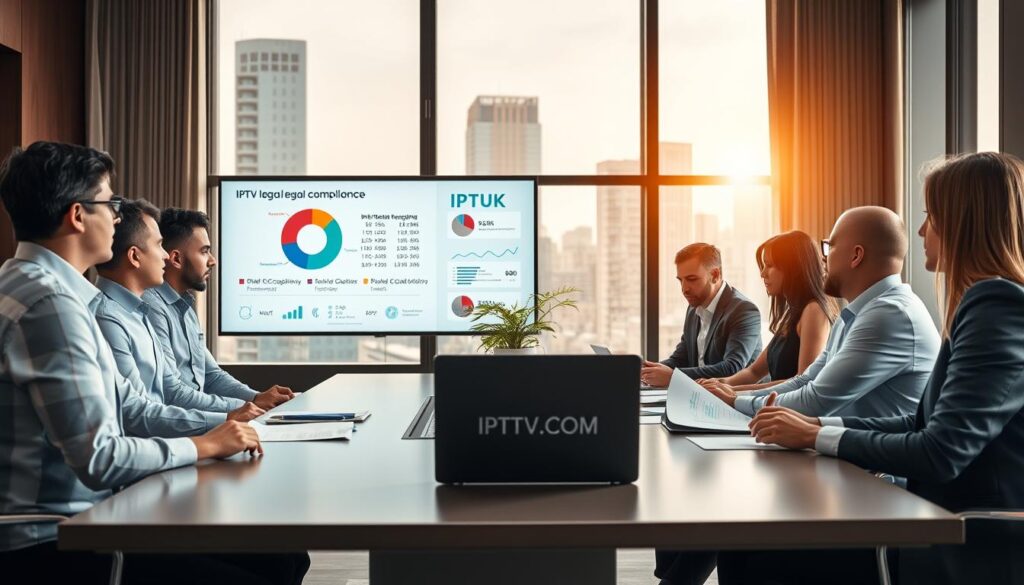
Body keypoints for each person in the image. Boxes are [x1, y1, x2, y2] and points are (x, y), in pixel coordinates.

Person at [0, 142, 307, 584]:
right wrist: (206, 444)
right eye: (111, 204)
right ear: (78, 215)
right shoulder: (51, 305)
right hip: (56, 542)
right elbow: (99, 457)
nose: (117, 217)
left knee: (282, 557)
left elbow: (130, 404)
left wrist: (224, 426)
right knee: (270, 567)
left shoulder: (38, 288)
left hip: (86, 521)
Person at [737, 152, 1024, 585]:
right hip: (943, 515)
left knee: (757, 554)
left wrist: (817, 434)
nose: (924, 230)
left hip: (971, 536)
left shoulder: (995, 307)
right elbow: (919, 421)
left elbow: (941, 451)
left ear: (963, 221)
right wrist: (814, 425)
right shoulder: (980, 304)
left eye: (932, 215)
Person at [654, 231, 836, 585]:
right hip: (765, 417)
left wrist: (731, 395)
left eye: (770, 267)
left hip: (785, 425)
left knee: (714, 501)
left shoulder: (814, 311)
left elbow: (801, 381)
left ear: (793, 268)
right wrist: (720, 388)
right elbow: (754, 371)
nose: (763, 275)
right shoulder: (789, 313)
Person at [704, 207, 940, 420]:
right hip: (850, 456)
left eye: (829, 246)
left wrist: (735, 401)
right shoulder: (855, 314)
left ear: (856, 255)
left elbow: (815, 400)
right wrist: (731, 396)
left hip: (872, 467)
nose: (823, 258)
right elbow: (806, 380)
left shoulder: (889, 315)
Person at [95, 199, 264, 424]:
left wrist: (254, 401)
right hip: (157, 444)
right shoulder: (112, 316)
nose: (164, 255)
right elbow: (140, 412)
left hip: (171, 436)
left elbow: (208, 375)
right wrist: (228, 418)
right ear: (135, 256)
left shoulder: (140, 311)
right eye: (158, 245)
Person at [143, 208, 293, 411]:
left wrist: (255, 397)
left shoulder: (184, 304)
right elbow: (172, 393)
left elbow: (211, 375)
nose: (213, 260)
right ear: (176, 259)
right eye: (204, 251)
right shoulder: (151, 306)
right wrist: (245, 407)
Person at [641, 243, 762, 387]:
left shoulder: (744, 310)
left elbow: (732, 368)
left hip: (735, 401)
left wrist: (674, 377)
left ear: (715, 275)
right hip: (698, 398)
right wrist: (645, 371)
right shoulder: (693, 309)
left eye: (692, 279)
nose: (684, 289)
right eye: (681, 280)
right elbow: (681, 358)